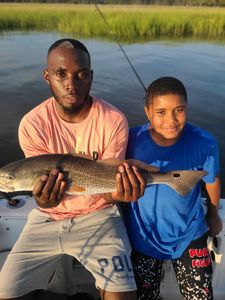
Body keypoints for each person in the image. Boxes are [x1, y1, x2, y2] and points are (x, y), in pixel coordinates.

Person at [0, 38, 146, 300]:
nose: (71, 83)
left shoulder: (113, 120)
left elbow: (110, 185)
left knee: (123, 295)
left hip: (100, 214)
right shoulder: (32, 124)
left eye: (81, 75)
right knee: (5, 291)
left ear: (90, 76)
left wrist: (121, 194)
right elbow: (40, 186)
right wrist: (42, 200)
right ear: (47, 76)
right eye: (61, 74)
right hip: (47, 217)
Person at [124, 76, 223, 300]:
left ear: (187, 108)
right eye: (160, 112)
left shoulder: (204, 142)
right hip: (143, 235)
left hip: (190, 232)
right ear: (147, 112)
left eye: (179, 110)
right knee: (144, 295)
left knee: (200, 295)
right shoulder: (130, 139)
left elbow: (212, 180)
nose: (171, 120)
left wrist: (213, 213)